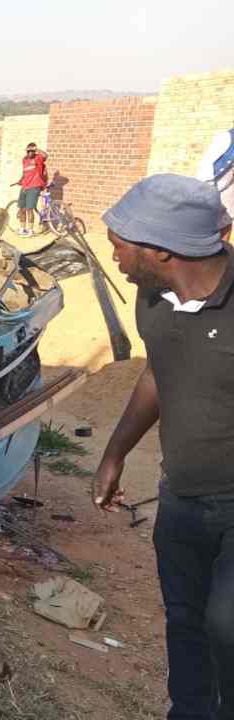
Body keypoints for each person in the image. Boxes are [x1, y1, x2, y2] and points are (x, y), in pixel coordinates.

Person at [93, 174, 234, 719]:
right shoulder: (152, 298)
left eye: (119, 244)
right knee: (186, 619)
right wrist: (114, 452)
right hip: (181, 499)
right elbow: (159, 370)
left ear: (160, 249)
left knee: (228, 627)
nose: (114, 255)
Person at [196, 127, 234, 225]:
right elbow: (206, 163)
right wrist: (208, 190)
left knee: (227, 222)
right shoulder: (226, 137)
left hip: (229, 190)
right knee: (204, 222)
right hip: (212, 187)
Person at [10, 142, 49, 236]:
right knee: (22, 208)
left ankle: (30, 230)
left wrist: (36, 149)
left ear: (34, 151)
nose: (30, 153)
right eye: (28, 151)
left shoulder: (38, 158)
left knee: (29, 209)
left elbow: (46, 155)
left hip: (34, 186)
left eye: (32, 151)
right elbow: (24, 173)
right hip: (24, 187)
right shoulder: (25, 160)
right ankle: (22, 228)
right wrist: (20, 181)